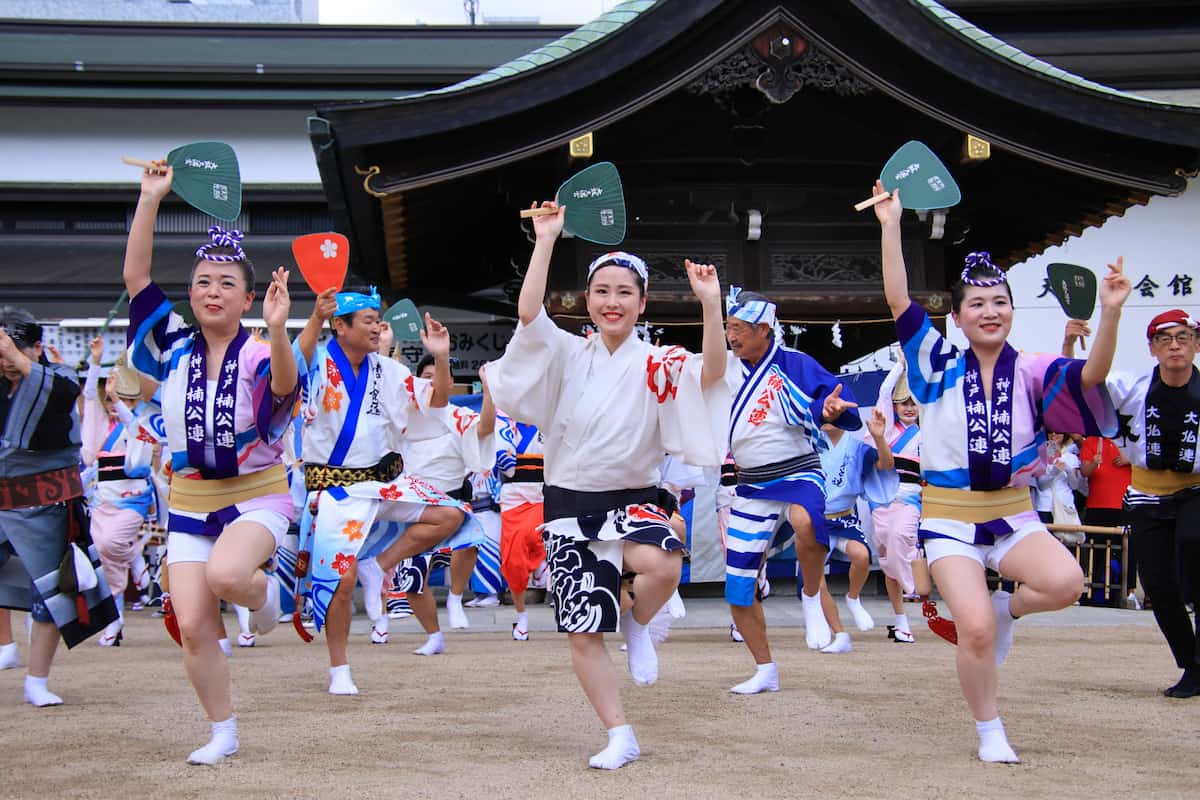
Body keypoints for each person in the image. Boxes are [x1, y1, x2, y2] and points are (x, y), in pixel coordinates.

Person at [873, 180, 1128, 762]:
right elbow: (898, 303)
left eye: (1000, 303)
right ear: (957, 318)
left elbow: (1089, 378)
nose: (990, 312)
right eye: (977, 305)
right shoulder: (935, 363)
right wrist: (891, 225)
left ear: (1011, 311)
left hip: (1013, 510)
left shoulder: (1036, 370)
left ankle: (1007, 610)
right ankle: (991, 730)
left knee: (1066, 584)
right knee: (975, 631)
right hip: (949, 518)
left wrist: (1110, 314)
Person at [487, 200, 728, 770]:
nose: (611, 301)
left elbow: (712, 372)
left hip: (634, 498)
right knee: (582, 629)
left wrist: (711, 305)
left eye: (624, 292)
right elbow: (528, 316)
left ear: (641, 303)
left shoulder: (659, 360)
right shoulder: (567, 352)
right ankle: (620, 732)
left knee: (666, 565)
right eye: (601, 291)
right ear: (587, 300)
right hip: (569, 503)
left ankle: (638, 622)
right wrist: (545, 239)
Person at [123, 161, 299, 764]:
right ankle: (222, 728)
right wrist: (152, 198)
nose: (211, 290)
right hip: (190, 497)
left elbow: (282, 389)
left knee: (228, 578)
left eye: (226, 283)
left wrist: (279, 330)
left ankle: (266, 596)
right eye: (201, 281)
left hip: (257, 491)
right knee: (194, 623)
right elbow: (136, 275)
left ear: (248, 297)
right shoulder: (172, 346)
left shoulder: (257, 349)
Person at [293, 285, 468, 690]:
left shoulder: (388, 371)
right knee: (342, 579)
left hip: (379, 483)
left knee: (451, 514)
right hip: (333, 488)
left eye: (378, 322)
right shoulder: (317, 362)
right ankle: (339, 668)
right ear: (341, 326)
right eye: (369, 321)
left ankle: (381, 564)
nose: (377, 329)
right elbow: (289, 368)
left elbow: (438, 400)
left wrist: (440, 356)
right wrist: (314, 318)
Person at [722, 287, 861, 694]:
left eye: (739, 329)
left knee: (807, 524)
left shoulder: (794, 363)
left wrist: (830, 409)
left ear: (764, 329)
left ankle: (812, 594)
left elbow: (833, 398)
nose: (731, 337)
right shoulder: (727, 371)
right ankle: (765, 668)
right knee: (739, 584)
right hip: (750, 482)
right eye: (728, 328)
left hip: (800, 469)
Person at [0, 306, 118, 705]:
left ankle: (37, 679)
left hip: (45, 504)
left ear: (38, 348)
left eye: (18, 352)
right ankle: (5, 647)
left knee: (53, 593)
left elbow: (66, 392)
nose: (9, 361)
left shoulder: (60, 377)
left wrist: (21, 363)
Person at [1097, 309, 1200, 698]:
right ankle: (1191, 666)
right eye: (1165, 339)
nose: (1175, 345)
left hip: (1196, 489)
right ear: (1152, 348)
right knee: (1157, 585)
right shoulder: (1131, 387)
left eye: (1183, 337)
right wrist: (1071, 344)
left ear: (1196, 344)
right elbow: (1088, 382)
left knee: (1194, 545)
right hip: (1145, 494)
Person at [81, 340, 164, 646]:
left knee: (110, 544)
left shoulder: (141, 421)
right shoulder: (100, 426)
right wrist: (95, 364)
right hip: (102, 502)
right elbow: (90, 399)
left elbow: (137, 433)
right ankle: (113, 623)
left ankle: (130, 557)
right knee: (103, 559)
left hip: (132, 502)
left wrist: (117, 400)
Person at [812, 407, 897, 653]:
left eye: (835, 415)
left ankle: (853, 597)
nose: (828, 420)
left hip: (844, 518)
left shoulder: (857, 447)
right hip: (814, 520)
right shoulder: (808, 442)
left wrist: (880, 438)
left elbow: (885, 464)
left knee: (861, 556)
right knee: (818, 582)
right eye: (825, 414)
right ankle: (839, 634)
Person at [869, 361, 937, 643]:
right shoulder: (885, 428)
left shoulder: (926, 435)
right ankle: (901, 622)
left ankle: (912, 587)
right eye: (903, 403)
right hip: (881, 502)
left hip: (910, 500)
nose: (909, 408)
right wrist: (901, 364)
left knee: (900, 538)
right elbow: (885, 391)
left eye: (913, 403)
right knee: (886, 560)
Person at [493, 408, 545, 640]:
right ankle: (521, 614)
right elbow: (505, 465)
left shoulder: (550, 414)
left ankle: (545, 570)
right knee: (513, 558)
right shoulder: (502, 420)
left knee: (535, 536)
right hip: (514, 496)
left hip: (546, 494)